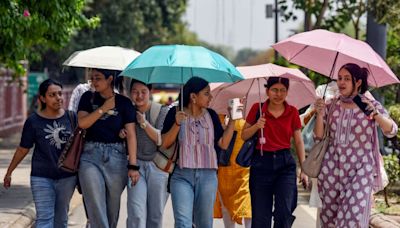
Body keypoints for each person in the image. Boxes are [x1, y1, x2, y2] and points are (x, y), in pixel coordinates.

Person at [314, 63, 398, 227]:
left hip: (360, 171)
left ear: (358, 82)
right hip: (331, 171)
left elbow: (392, 130)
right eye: (339, 78)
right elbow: (318, 136)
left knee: (353, 219)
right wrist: (319, 114)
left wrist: (376, 115)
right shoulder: (331, 105)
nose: (341, 83)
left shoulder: (369, 105)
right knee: (329, 222)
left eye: (347, 79)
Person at [160, 76, 236, 228]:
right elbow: (165, 144)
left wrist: (233, 119)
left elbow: (224, 144)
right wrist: (176, 123)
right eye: (206, 93)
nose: (211, 97)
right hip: (181, 176)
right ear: (193, 96)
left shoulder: (212, 116)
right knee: (183, 223)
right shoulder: (175, 113)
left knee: (204, 224)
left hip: (208, 176)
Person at [3, 79, 77, 227]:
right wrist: (9, 171)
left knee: (61, 219)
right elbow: (23, 148)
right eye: (52, 95)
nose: (58, 98)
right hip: (41, 177)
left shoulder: (71, 117)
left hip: (67, 177)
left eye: (60, 94)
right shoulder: (33, 121)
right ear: (42, 98)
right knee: (44, 219)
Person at [241, 76, 308, 228]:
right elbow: (244, 135)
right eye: (274, 90)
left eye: (283, 90)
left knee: (284, 213)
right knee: (260, 219)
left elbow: (298, 141)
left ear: (287, 92)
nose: (278, 94)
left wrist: (303, 169)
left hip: (285, 165)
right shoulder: (257, 109)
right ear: (267, 91)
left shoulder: (292, 112)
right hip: (261, 164)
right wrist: (257, 126)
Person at [77, 68, 139, 228]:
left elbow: (131, 135)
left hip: (117, 158)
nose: (94, 82)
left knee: (112, 211)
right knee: (95, 206)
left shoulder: (124, 103)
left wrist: (133, 166)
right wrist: (104, 108)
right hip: (90, 156)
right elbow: (83, 123)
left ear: (110, 79)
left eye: (98, 78)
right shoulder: (87, 98)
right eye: (92, 78)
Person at [124, 79, 170, 228]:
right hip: (136, 167)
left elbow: (161, 140)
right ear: (130, 93)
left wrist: (144, 123)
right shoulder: (127, 111)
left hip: (158, 168)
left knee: (155, 216)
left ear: (150, 92)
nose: (139, 96)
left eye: (143, 92)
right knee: (136, 214)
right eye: (135, 92)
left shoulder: (161, 110)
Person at [213, 115, 252, 227]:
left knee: (249, 204)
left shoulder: (254, 108)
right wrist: (223, 126)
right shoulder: (219, 112)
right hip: (225, 165)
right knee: (226, 205)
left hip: (246, 164)